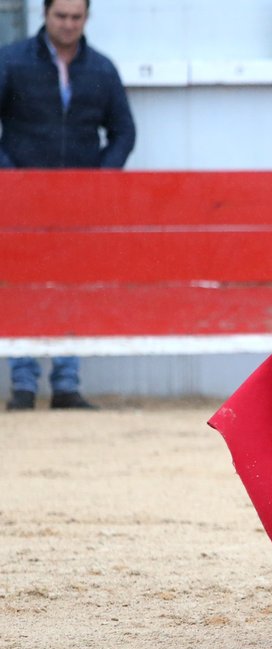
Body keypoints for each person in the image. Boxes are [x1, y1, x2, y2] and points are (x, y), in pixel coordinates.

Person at [2, 0, 135, 411]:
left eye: (76, 17)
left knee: (72, 285)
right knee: (22, 285)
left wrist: (98, 181)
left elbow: (123, 132)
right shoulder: (12, 61)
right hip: (21, 197)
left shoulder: (101, 68)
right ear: (45, 14)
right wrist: (9, 175)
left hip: (78, 201)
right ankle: (23, 386)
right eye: (61, 16)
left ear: (86, 18)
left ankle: (66, 384)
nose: (68, 24)